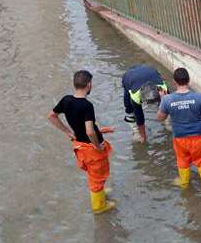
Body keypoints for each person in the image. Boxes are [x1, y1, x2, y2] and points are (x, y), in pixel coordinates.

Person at [47, 70, 116, 214]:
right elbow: (90, 132)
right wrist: (97, 146)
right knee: (96, 176)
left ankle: (100, 192)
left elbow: (52, 116)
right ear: (89, 84)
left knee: (94, 174)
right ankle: (99, 206)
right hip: (91, 149)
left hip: (80, 145)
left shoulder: (66, 100)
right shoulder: (86, 105)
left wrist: (68, 132)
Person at [157, 67, 201, 188]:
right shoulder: (200, 97)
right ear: (189, 80)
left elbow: (160, 118)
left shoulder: (167, 100)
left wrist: (162, 99)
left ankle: (185, 185)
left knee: (182, 161)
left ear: (175, 82)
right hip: (199, 138)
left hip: (180, 139)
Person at [121, 64, 168, 143]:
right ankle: (135, 131)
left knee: (166, 104)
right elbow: (140, 118)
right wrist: (143, 136)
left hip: (149, 70)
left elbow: (171, 106)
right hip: (129, 77)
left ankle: (167, 122)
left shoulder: (163, 89)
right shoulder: (135, 96)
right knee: (129, 108)